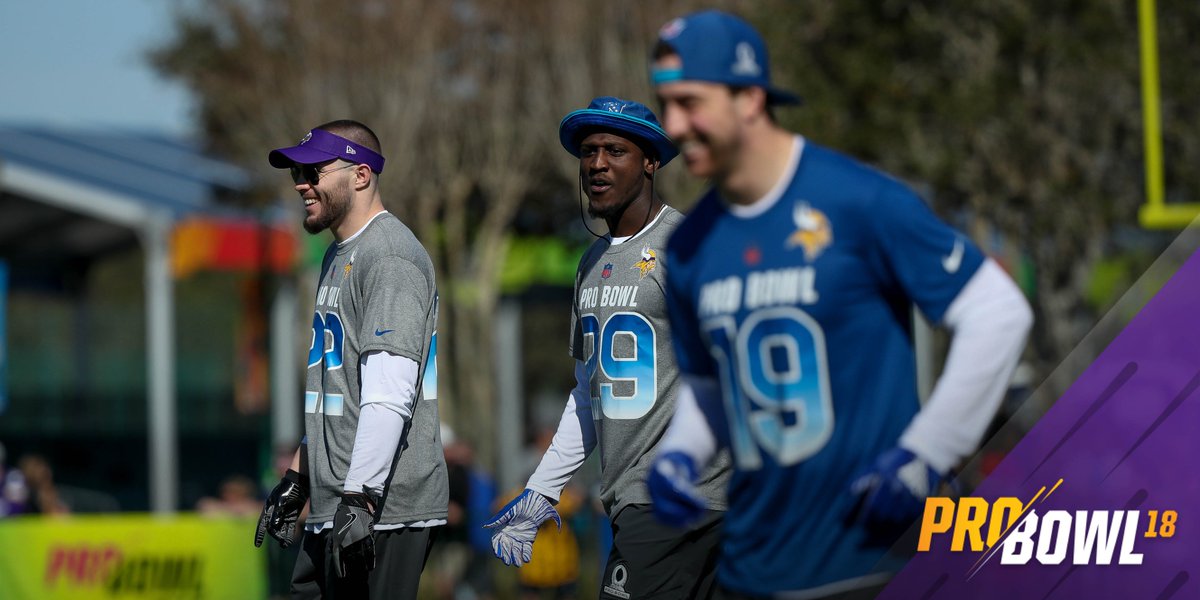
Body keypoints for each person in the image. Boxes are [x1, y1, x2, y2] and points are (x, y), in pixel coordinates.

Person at [643, 11, 1034, 599]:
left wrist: (930, 451)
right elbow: (707, 387)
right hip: (752, 571)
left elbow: (997, 312)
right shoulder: (691, 245)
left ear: (750, 97)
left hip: (875, 561)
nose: (673, 124)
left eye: (691, 102)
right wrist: (680, 454)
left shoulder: (858, 200)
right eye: (665, 103)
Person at [485, 97, 729, 599]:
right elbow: (585, 394)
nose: (597, 163)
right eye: (589, 151)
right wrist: (541, 490)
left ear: (651, 162)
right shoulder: (590, 263)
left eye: (615, 150)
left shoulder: (689, 247)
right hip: (634, 503)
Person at [255, 120, 447, 600]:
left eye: (313, 170)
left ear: (361, 175)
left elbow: (389, 393)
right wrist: (299, 475)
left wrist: (359, 498)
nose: (301, 183)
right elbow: (338, 391)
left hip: (380, 508)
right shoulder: (338, 255)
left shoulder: (389, 256)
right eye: (295, 172)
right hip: (334, 502)